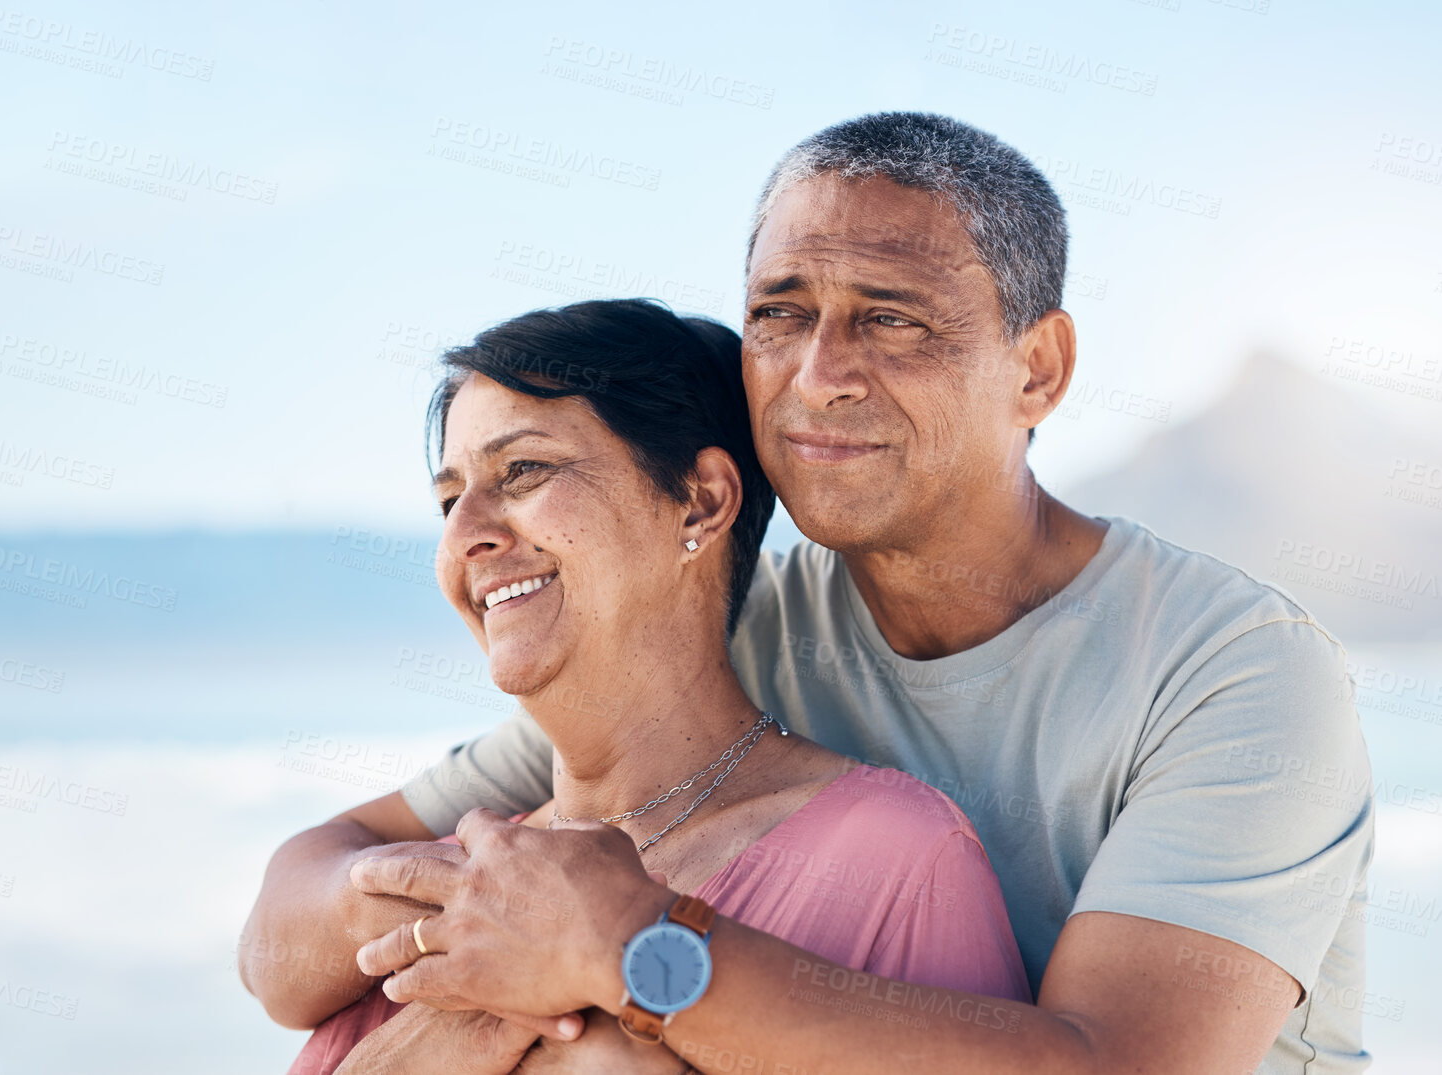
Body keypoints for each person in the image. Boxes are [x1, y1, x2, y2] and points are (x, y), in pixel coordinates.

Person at [243, 113, 1374, 1074]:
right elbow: (303, 903)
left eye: (892, 317)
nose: (818, 373)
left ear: (1037, 370)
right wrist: (467, 930)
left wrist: (637, 949)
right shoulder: (743, 627)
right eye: (779, 311)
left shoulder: (1238, 676)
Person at [273, 299, 1029, 1074]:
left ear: (699, 501)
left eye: (523, 470)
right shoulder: (446, 886)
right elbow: (277, 944)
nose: (464, 535)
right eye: (447, 500)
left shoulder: (896, 862)